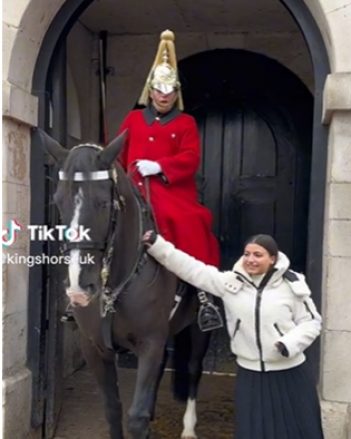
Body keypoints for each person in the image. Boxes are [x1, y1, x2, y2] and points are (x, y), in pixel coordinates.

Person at [60, 29, 223, 330]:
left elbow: (190, 158)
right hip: (133, 188)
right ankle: (82, 295)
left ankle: (203, 297)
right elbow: (118, 153)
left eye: (169, 90)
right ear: (150, 91)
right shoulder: (134, 119)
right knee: (100, 223)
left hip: (170, 190)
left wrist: (160, 166)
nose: (163, 96)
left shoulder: (185, 123)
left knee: (193, 221)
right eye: (158, 90)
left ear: (176, 93)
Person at [142, 230, 324, 439]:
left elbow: (312, 322)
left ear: (272, 259)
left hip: (290, 374)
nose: (251, 260)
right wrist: (157, 244)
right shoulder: (230, 283)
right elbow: (190, 268)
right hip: (251, 375)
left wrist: (288, 344)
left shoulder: (292, 285)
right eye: (247, 254)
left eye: (258, 255)